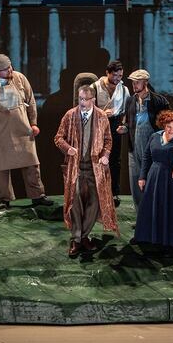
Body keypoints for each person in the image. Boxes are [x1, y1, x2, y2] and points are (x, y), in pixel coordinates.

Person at [0, 53, 52, 209]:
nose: (9, 70)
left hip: (22, 128)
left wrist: (33, 123)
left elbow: (31, 101)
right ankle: (5, 199)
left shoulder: (19, 78)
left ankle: (38, 196)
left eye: (10, 66)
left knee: (31, 163)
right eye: (5, 69)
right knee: (1, 167)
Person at [54, 84, 119, 258]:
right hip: (75, 168)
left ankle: (84, 236)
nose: (82, 103)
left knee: (94, 202)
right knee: (75, 202)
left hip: (95, 169)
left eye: (85, 99)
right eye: (80, 99)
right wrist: (67, 148)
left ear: (93, 100)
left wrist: (106, 155)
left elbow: (108, 140)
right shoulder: (70, 115)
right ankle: (76, 239)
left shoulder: (101, 117)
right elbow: (58, 138)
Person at [134, 110, 173, 253]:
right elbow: (146, 157)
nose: (172, 130)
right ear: (163, 125)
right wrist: (142, 176)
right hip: (155, 177)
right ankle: (152, 238)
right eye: (169, 127)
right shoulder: (154, 137)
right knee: (153, 207)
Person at [121, 69, 169, 210]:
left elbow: (169, 123)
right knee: (136, 184)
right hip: (134, 148)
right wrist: (124, 128)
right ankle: (141, 217)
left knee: (153, 183)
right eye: (133, 82)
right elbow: (127, 122)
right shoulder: (130, 101)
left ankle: (154, 216)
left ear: (146, 82)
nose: (134, 85)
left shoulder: (159, 101)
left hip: (152, 149)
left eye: (137, 82)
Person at [90, 60, 129, 207]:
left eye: (120, 76)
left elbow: (127, 111)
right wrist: (101, 113)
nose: (117, 78)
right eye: (115, 75)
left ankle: (113, 193)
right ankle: (96, 192)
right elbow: (86, 109)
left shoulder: (124, 89)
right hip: (98, 125)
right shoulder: (95, 87)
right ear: (107, 73)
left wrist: (124, 124)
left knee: (115, 160)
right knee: (98, 158)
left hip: (115, 124)